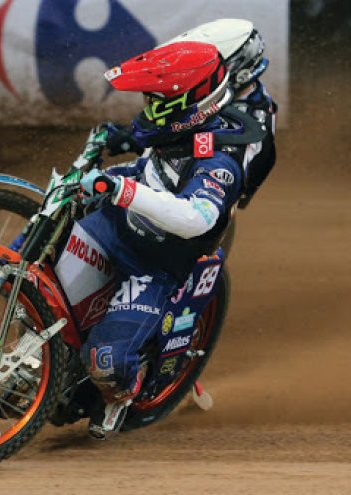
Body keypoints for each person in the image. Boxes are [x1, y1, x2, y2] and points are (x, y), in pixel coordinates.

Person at [76, 19, 278, 439]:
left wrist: (139, 180)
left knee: (178, 278)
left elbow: (208, 185)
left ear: (234, 68)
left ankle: (158, 352)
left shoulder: (250, 123)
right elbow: (172, 133)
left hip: (204, 209)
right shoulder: (213, 97)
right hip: (169, 188)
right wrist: (134, 143)